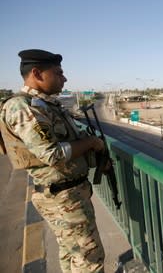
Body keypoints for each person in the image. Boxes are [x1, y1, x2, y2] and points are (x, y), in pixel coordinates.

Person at [0, 49, 105, 272]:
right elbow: (52, 154)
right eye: (58, 73)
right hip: (64, 198)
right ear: (37, 74)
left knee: (72, 253)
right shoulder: (23, 107)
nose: (64, 78)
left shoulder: (45, 105)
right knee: (90, 259)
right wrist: (91, 144)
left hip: (66, 194)